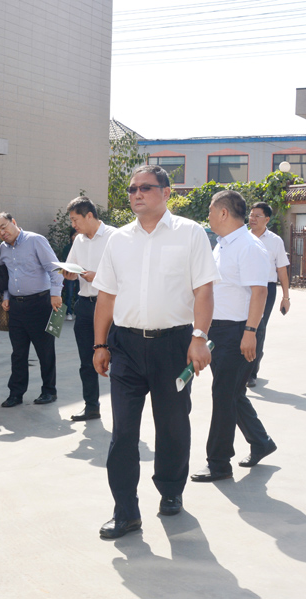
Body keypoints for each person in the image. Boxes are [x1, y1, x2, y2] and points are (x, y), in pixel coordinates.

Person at [92, 165, 219, 539]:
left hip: (174, 346)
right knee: (123, 433)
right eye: (132, 189)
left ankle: (170, 490)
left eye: (145, 188)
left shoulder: (190, 233)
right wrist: (100, 344)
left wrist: (199, 337)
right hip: (126, 347)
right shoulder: (119, 240)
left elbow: (204, 290)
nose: (136, 194)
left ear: (166, 192)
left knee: (173, 425)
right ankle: (125, 512)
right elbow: (106, 296)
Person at [192, 191, 277, 483]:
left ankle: (218, 463)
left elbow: (260, 292)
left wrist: (250, 333)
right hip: (218, 330)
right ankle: (261, 442)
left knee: (223, 394)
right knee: (232, 393)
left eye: (211, 210)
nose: (209, 216)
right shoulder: (223, 244)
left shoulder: (249, 247)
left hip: (238, 331)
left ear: (224, 213)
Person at [0, 212, 63, 408]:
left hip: (40, 304)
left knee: (45, 351)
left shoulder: (35, 241)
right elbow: (6, 275)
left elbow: (55, 268)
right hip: (16, 307)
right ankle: (16, 394)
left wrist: (56, 294)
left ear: (14, 222)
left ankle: (49, 391)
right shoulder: (3, 248)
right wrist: (6, 297)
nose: (2, 233)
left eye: (4, 227)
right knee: (18, 353)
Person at [61, 197, 116, 422]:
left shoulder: (115, 237)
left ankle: (122, 411)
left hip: (110, 304)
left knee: (118, 360)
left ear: (90, 215)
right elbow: (72, 267)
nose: (73, 225)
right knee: (86, 360)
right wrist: (69, 274)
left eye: (75, 220)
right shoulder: (79, 241)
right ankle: (91, 406)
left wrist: (98, 277)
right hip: (84, 304)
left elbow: (126, 273)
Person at [247, 201, 291, 387]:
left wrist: (285, 297)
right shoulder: (242, 237)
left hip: (267, 288)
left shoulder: (275, 241)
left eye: (257, 216)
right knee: (243, 326)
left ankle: (251, 372)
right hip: (245, 287)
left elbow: (282, 270)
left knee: (259, 328)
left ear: (267, 219)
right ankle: (246, 363)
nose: (253, 218)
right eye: (251, 214)